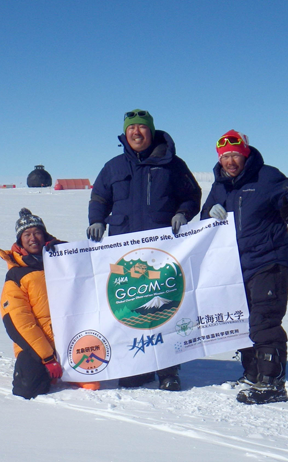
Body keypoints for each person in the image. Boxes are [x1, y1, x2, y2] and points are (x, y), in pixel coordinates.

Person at [87, 109, 202, 391]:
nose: (136, 133)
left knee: (164, 308)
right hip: (125, 254)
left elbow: (192, 196)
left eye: (142, 127)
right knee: (130, 310)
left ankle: (167, 369)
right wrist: (96, 220)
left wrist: (183, 214)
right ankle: (137, 368)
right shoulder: (113, 167)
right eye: (131, 128)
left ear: (151, 131)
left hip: (162, 252)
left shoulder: (172, 165)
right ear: (124, 134)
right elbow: (100, 196)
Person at [201, 130, 288, 404]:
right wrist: (210, 213)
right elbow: (205, 216)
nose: (230, 161)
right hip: (236, 265)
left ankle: (272, 383)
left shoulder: (268, 176)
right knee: (243, 321)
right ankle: (252, 374)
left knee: (265, 321)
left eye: (235, 155)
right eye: (225, 156)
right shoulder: (220, 185)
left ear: (245, 154)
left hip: (269, 259)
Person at [0, 208, 99, 399]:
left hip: (72, 338)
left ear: (45, 235)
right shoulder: (16, 274)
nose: (33, 238)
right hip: (38, 344)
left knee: (93, 383)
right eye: (27, 234)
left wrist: (64, 249)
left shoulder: (63, 260)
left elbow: (91, 265)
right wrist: (46, 357)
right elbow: (19, 322)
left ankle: (68, 372)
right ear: (20, 241)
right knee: (27, 390)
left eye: (37, 232)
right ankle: (48, 370)